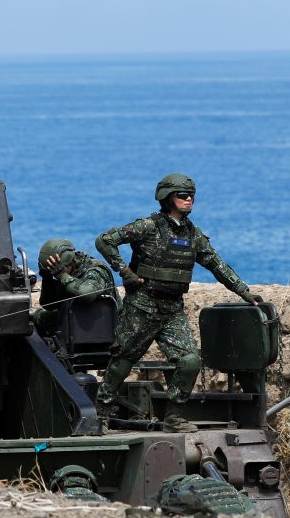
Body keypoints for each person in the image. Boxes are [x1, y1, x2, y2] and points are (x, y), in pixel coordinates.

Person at [94, 173, 261, 431]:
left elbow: (217, 265)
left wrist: (245, 292)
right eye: (182, 195)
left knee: (189, 360)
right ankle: (101, 415)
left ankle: (174, 417)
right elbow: (105, 241)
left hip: (172, 309)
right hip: (142, 306)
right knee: (122, 362)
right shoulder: (148, 227)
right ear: (167, 198)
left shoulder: (194, 234)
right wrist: (125, 272)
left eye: (191, 194)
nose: (189, 199)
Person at [32, 238, 118, 336]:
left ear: (68, 265)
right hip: (77, 318)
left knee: (40, 317)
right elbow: (48, 305)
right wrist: (47, 279)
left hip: (101, 324)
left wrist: (62, 276)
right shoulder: (69, 272)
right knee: (37, 317)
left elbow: (88, 294)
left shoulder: (95, 271)